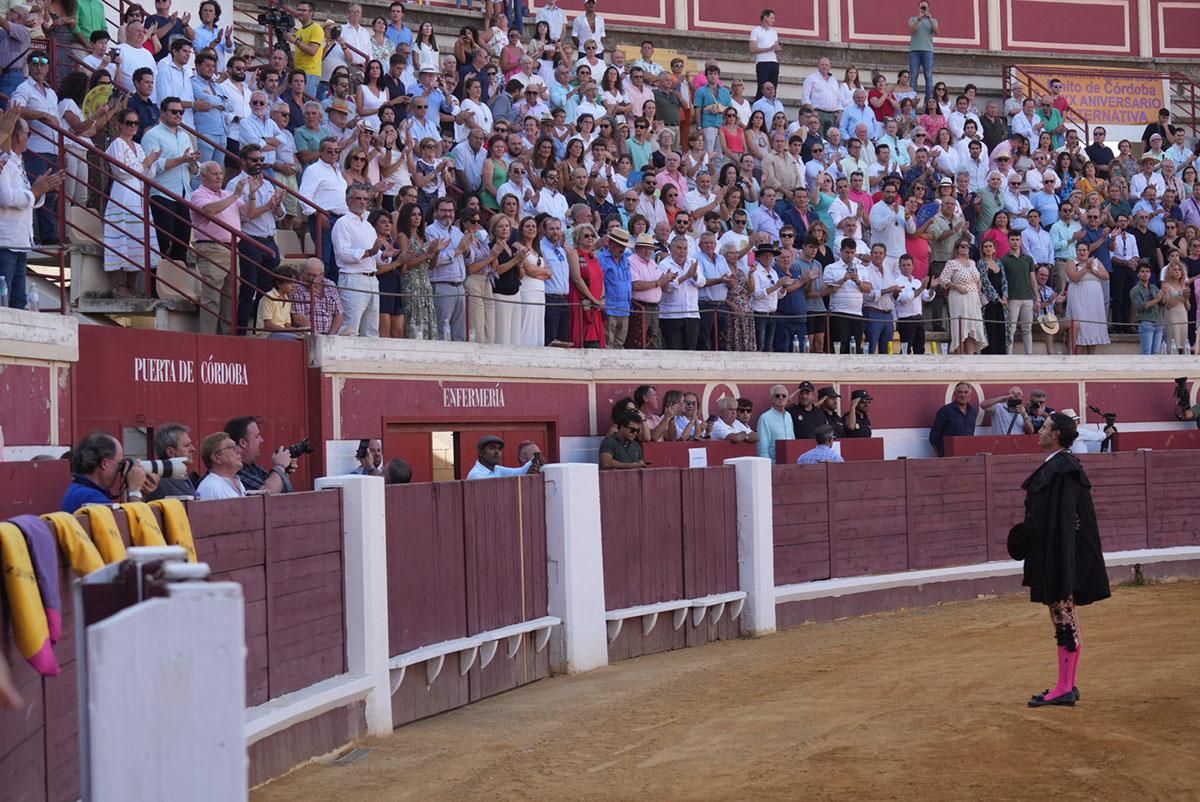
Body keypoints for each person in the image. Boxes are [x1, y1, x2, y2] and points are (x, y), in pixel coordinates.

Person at [1012, 412, 1110, 707]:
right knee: (1064, 615)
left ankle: (1065, 687)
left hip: (1058, 554)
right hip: (1056, 553)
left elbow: (1066, 522)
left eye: (1045, 427)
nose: (1039, 431)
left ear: (1056, 434)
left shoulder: (1063, 468)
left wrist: (1062, 561)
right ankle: (1066, 684)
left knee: (1063, 616)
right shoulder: (1061, 466)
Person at [0, 117, 61, 309]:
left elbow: (29, 197)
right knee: (3, 297)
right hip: (5, 243)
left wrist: (41, 190)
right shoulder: (5, 162)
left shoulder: (18, 162)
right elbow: (5, 197)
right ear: (17, 136)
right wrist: (34, 192)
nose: (29, 138)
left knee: (18, 301)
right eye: (28, 134)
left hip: (20, 242)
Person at [61, 431, 150, 511]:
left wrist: (142, 492)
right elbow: (130, 526)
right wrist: (134, 491)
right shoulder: (90, 498)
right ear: (105, 464)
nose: (120, 470)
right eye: (120, 464)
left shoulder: (80, 490)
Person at [935, 238, 987, 354]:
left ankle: (971, 356)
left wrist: (978, 285)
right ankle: (960, 355)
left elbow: (977, 278)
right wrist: (956, 287)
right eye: (962, 246)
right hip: (959, 296)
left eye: (967, 246)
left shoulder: (973, 262)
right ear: (957, 248)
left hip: (973, 297)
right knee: (961, 326)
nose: (965, 248)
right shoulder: (952, 263)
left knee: (972, 327)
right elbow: (943, 280)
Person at [224, 416, 293, 494]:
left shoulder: (251, 467)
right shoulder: (233, 470)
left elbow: (276, 486)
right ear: (243, 443)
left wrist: (284, 471)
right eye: (257, 436)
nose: (261, 440)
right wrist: (280, 466)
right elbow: (268, 494)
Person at [1065, 240, 1111, 354]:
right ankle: (1077, 356)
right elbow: (1074, 277)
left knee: (1093, 326)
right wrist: (1086, 269)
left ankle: (1091, 357)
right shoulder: (1072, 262)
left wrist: (1094, 270)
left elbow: (1106, 276)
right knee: (1080, 326)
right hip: (1078, 297)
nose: (1082, 252)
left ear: (1088, 251)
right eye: (1079, 250)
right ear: (1076, 251)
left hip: (1094, 299)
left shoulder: (1095, 261)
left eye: (1084, 250)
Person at [145, 423, 196, 499]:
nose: (193, 449)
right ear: (170, 452)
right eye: (186, 445)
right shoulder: (158, 482)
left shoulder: (183, 476)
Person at [194, 432, 248, 500]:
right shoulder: (210, 487)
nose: (239, 450)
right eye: (231, 447)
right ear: (216, 458)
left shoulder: (238, 482)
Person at [929, 381, 976, 457]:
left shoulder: (972, 411)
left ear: (969, 395)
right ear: (954, 394)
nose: (963, 395)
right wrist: (941, 457)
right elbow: (934, 438)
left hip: (968, 456)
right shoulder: (945, 411)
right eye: (960, 392)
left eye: (966, 392)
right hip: (949, 456)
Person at [1131, 263, 1165, 355]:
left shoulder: (1154, 287)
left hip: (1158, 321)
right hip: (1146, 322)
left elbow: (1162, 303)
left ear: (1150, 274)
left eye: (1147, 271)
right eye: (1142, 271)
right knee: (1146, 352)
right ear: (1138, 274)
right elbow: (1141, 306)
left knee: (1156, 353)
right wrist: (1157, 299)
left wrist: (1164, 295)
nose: (1145, 273)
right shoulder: (1135, 290)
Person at [467, 434, 537, 478]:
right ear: (481, 452)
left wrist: (535, 459)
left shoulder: (497, 469)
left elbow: (519, 472)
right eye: (492, 448)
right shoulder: (476, 475)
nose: (497, 452)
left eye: (499, 449)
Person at [907, 1, 937, 101]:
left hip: (928, 51)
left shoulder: (933, 20)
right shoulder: (912, 19)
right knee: (913, 75)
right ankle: (912, 99)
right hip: (914, 51)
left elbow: (936, 31)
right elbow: (912, 30)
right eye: (922, 7)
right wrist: (918, 20)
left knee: (928, 76)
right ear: (918, 8)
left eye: (925, 7)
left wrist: (931, 20)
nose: (923, 9)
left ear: (928, 8)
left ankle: (928, 100)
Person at [756, 383, 796, 461]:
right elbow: (763, 446)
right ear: (771, 399)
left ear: (787, 398)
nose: (781, 398)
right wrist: (766, 466)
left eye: (784, 396)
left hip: (790, 461)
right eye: (777, 396)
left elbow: (792, 439)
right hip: (774, 463)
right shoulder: (765, 417)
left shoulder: (788, 416)